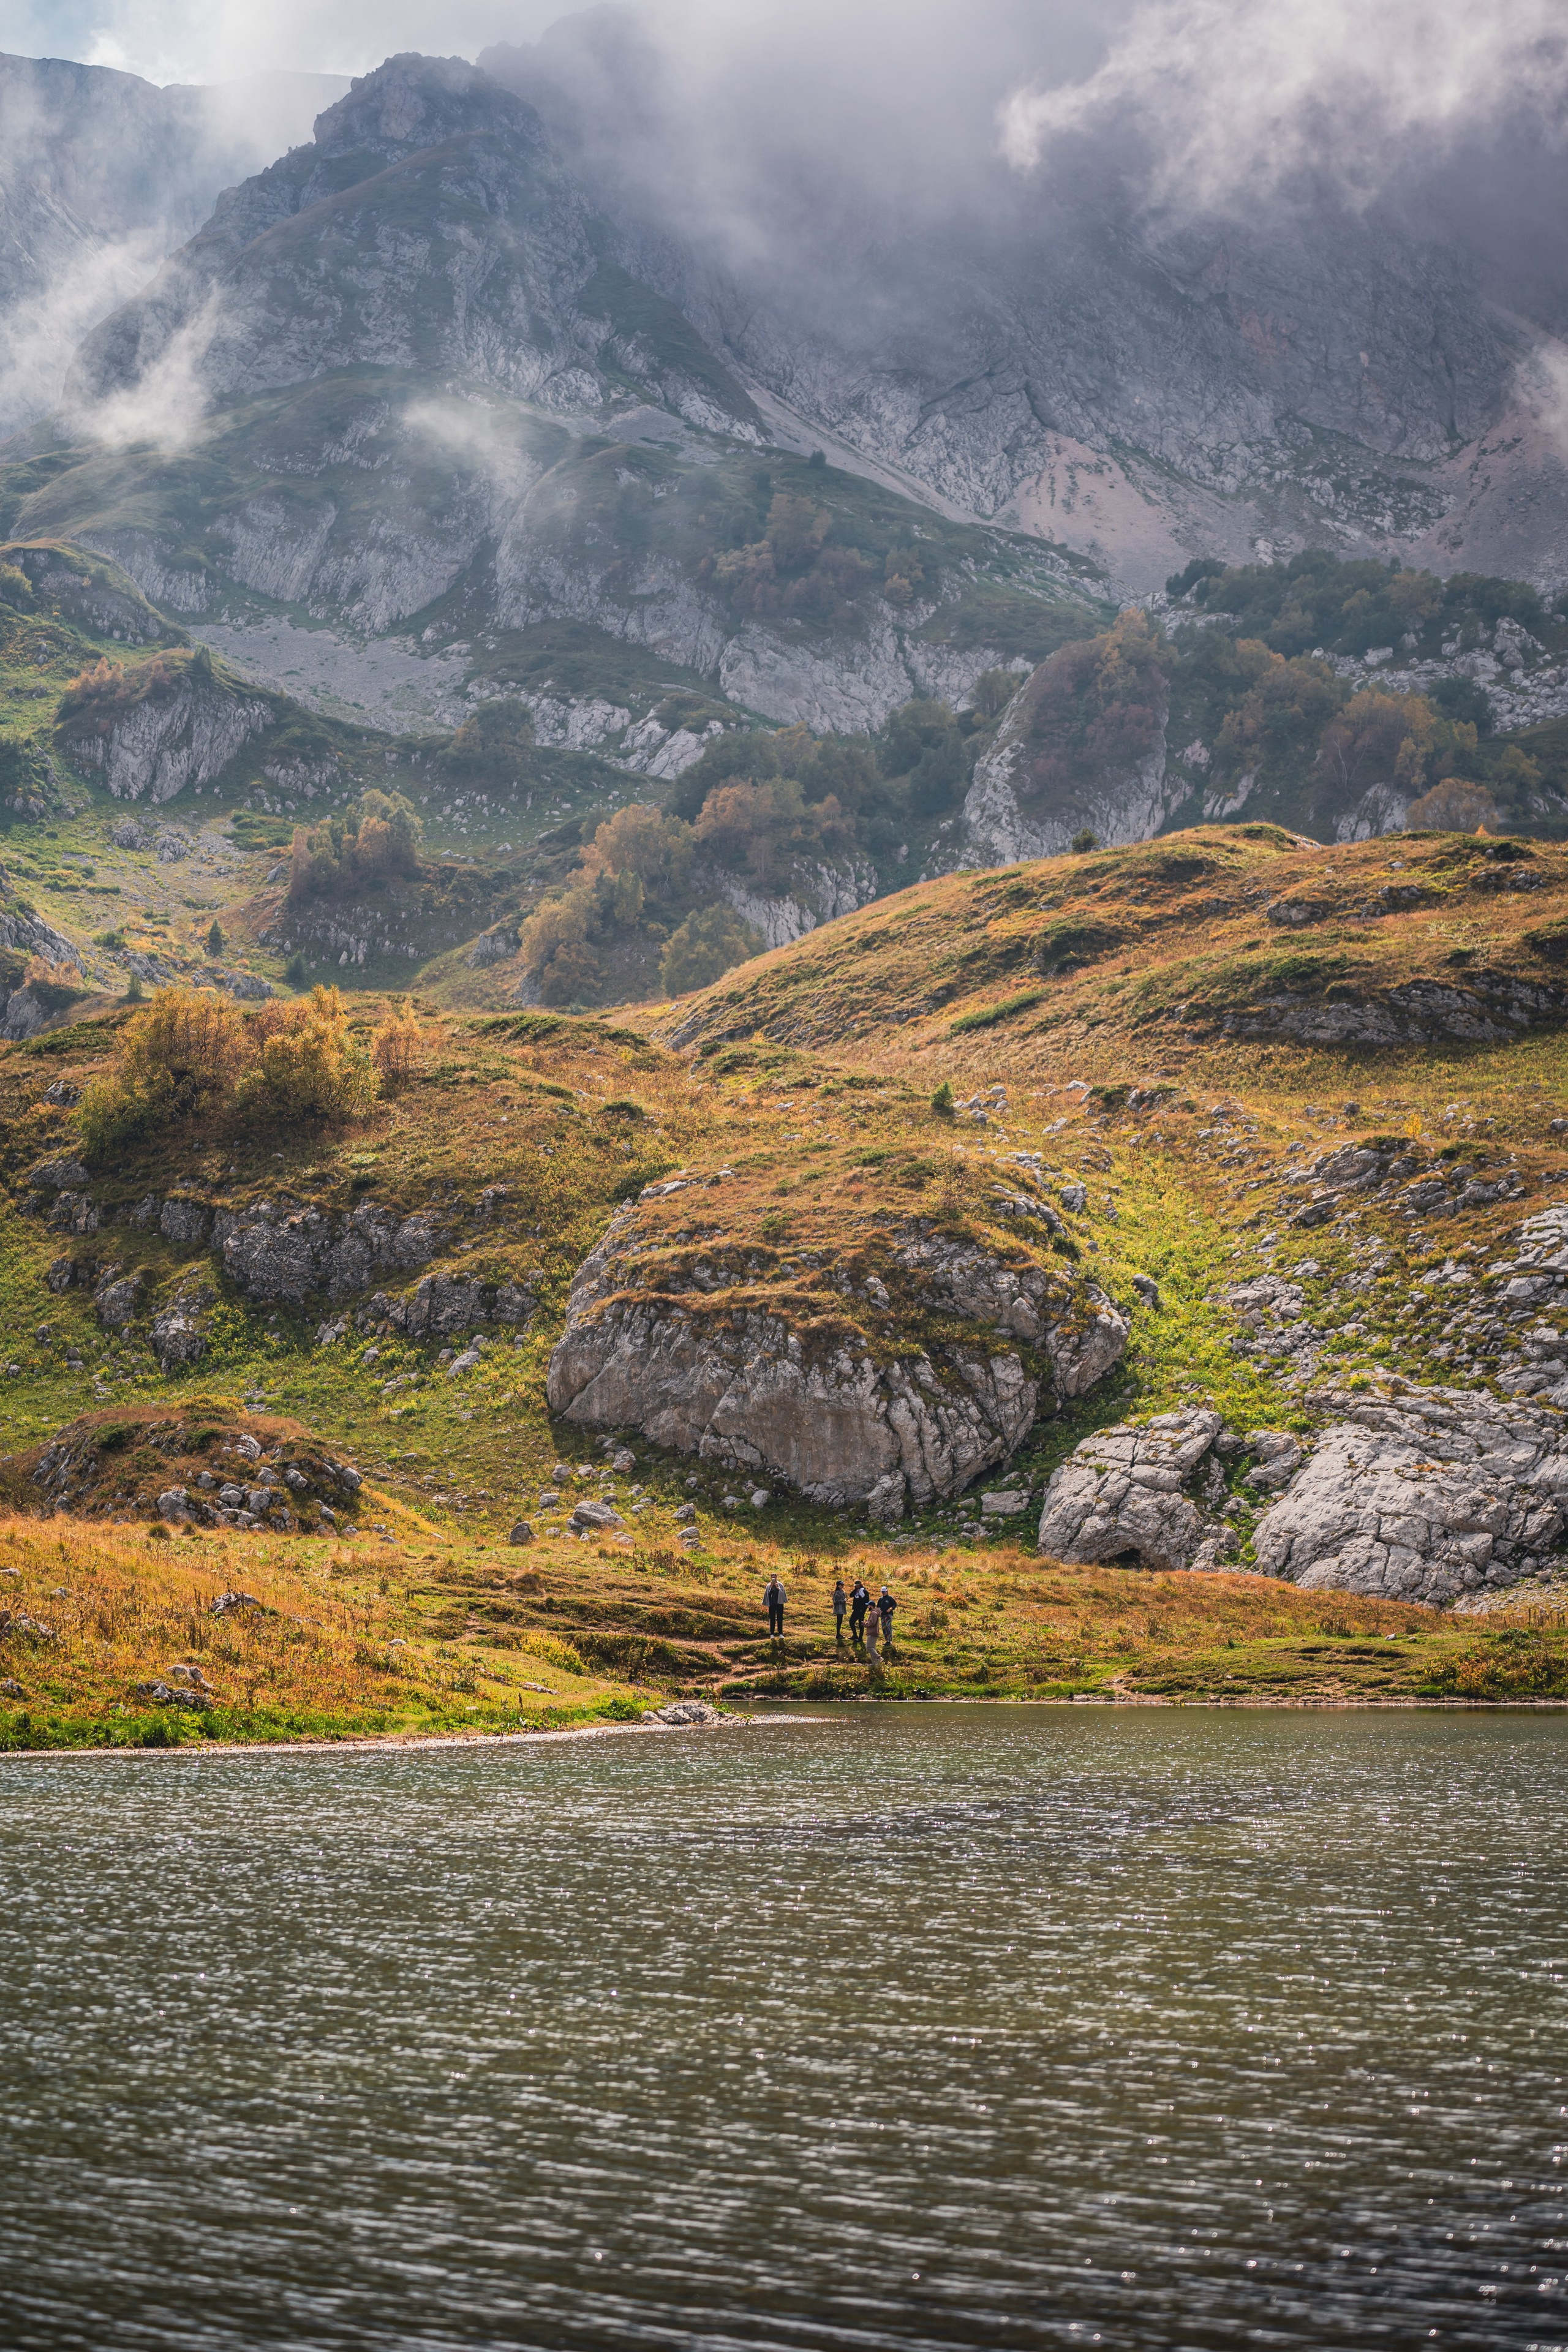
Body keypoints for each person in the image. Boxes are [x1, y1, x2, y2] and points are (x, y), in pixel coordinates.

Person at [764, 1572, 785, 1637]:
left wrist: (777, 1587)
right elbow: (768, 1595)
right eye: (772, 1577)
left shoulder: (780, 1585)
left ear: (776, 1578)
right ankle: (772, 1634)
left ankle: (780, 1633)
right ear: (771, 1578)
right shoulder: (769, 1586)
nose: (774, 1579)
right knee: (772, 1619)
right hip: (772, 1605)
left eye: (774, 1577)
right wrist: (771, 1587)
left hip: (779, 1604)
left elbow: (782, 1594)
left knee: (780, 1619)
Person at [850, 1578, 869, 1644]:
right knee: (851, 1622)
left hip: (861, 1610)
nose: (856, 1587)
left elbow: (867, 1602)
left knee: (861, 1624)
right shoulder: (856, 1591)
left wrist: (863, 1610)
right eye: (856, 1586)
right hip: (856, 1609)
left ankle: (860, 1638)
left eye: (857, 1586)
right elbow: (851, 1595)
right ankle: (855, 1635)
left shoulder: (864, 1591)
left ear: (860, 1585)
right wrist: (855, 1590)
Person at [877, 1586, 896, 1654]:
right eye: (882, 1592)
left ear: (887, 1591)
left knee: (888, 1627)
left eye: (884, 1592)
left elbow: (895, 1604)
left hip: (888, 1615)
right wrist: (880, 1611)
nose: (883, 1593)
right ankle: (886, 1639)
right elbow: (878, 1606)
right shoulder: (881, 1599)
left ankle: (889, 1640)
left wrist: (891, 1609)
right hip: (883, 1615)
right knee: (884, 1628)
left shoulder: (890, 1598)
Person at [832, 1579, 847, 1643]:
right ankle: (838, 1634)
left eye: (843, 1584)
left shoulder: (842, 1591)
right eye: (842, 1585)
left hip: (842, 1608)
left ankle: (839, 1634)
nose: (843, 1586)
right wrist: (843, 1601)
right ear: (838, 1586)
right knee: (839, 1621)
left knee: (840, 1621)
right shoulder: (837, 1592)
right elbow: (835, 1601)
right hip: (839, 1609)